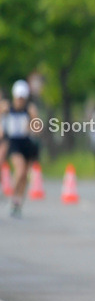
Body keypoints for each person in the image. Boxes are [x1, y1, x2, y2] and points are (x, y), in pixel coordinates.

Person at [2, 80, 41, 218]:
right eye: (18, 98)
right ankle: (11, 193)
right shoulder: (6, 107)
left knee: (25, 175)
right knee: (19, 169)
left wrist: (32, 127)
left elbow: (37, 126)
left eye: (22, 98)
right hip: (13, 142)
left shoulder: (30, 109)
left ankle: (17, 202)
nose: (20, 101)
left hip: (26, 142)